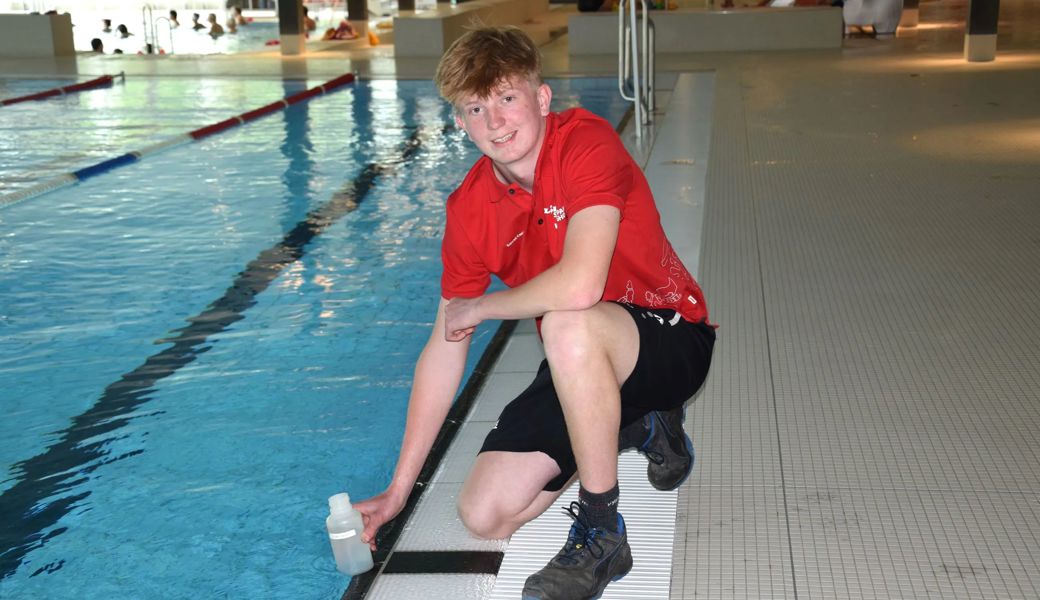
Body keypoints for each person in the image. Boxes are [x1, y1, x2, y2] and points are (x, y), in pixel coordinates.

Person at [354, 26, 715, 600]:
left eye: (506, 97)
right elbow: (446, 345)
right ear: (460, 123)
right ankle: (642, 423)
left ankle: (603, 530)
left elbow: (580, 285)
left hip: (670, 338)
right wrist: (399, 489)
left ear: (542, 98)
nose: (494, 121)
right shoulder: (471, 207)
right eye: (476, 107)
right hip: (585, 358)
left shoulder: (586, 144)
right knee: (485, 511)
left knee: (568, 324)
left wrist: (484, 305)